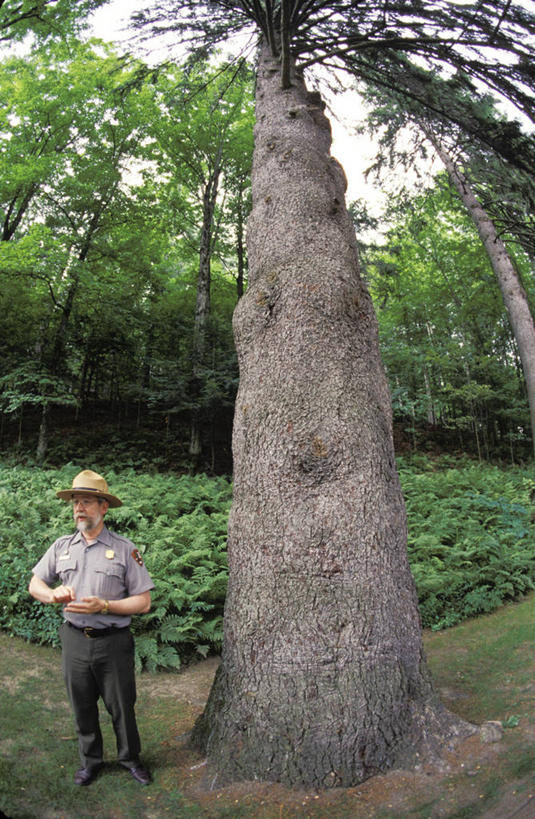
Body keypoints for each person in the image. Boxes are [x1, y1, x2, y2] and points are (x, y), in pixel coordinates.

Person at [29, 469, 154, 787]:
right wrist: (51, 594)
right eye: (75, 503)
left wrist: (106, 605)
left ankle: (130, 759)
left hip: (113, 642)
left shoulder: (126, 549)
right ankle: (90, 762)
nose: (79, 509)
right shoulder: (61, 547)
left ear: (103, 508)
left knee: (122, 706)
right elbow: (35, 583)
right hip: (74, 641)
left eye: (86, 502)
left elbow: (143, 602)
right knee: (81, 705)